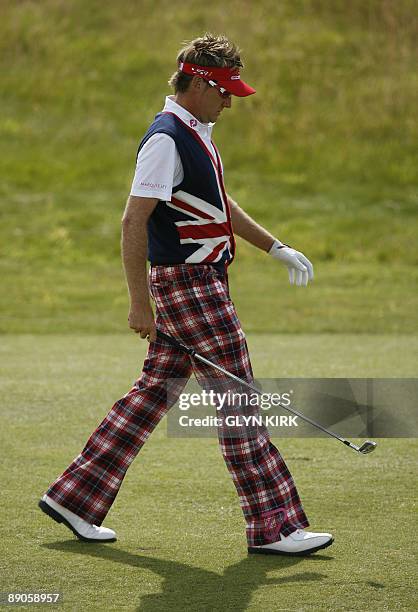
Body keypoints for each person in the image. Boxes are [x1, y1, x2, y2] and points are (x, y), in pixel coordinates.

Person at [39, 34, 333, 556]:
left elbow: (219, 202)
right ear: (198, 83)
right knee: (238, 399)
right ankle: (275, 527)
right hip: (189, 286)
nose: (230, 102)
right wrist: (138, 303)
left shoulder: (195, 132)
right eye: (224, 92)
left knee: (154, 393)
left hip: (195, 284)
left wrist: (275, 247)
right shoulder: (167, 139)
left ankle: (75, 498)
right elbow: (134, 221)